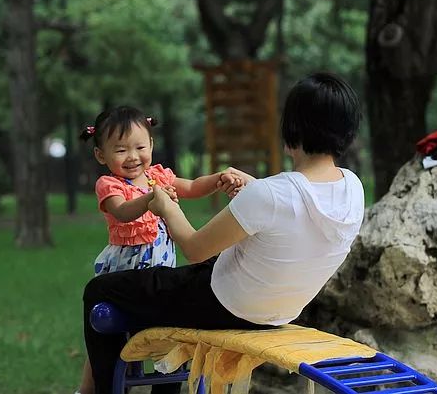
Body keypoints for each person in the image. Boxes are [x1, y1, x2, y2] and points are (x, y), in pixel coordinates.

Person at [82, 73, 365, 394]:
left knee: (98, 290)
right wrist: (255, 188)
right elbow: (296, 209)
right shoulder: (352, 187)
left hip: (226, 303)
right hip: (281, 309)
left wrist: (166, 207)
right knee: (166, 286)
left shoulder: (270, 195)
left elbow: (194, 248)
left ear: (292, 128)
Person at [76, 106, 243, 394]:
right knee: (109, 343)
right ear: (101, 155)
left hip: (159, 277)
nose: (133, 156)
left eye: (140, 146)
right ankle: (93, 388)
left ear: (151, 145)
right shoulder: (110, 184)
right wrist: (152, 200)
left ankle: (165, 387)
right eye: (120, 150)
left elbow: (190, 186)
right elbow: (122, 211)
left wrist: (217, 179)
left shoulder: (158, 177)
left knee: (172, 337)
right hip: (126, 277)